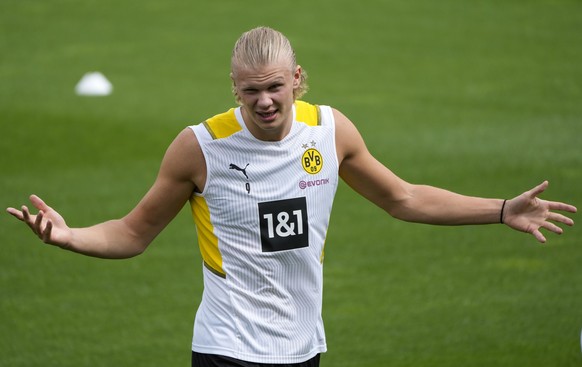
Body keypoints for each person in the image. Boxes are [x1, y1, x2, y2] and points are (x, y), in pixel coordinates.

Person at [6, 26, 577, 367]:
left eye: (275, 87)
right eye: (250, 91)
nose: (264, 102)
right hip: (226, 347)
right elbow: (132, 233)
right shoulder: (199, 148)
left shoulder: (330, 132)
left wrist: (501, 210)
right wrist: (68, 235)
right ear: (234, 89)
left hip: (304, 348)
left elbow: (403, 198)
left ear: (297, 79)